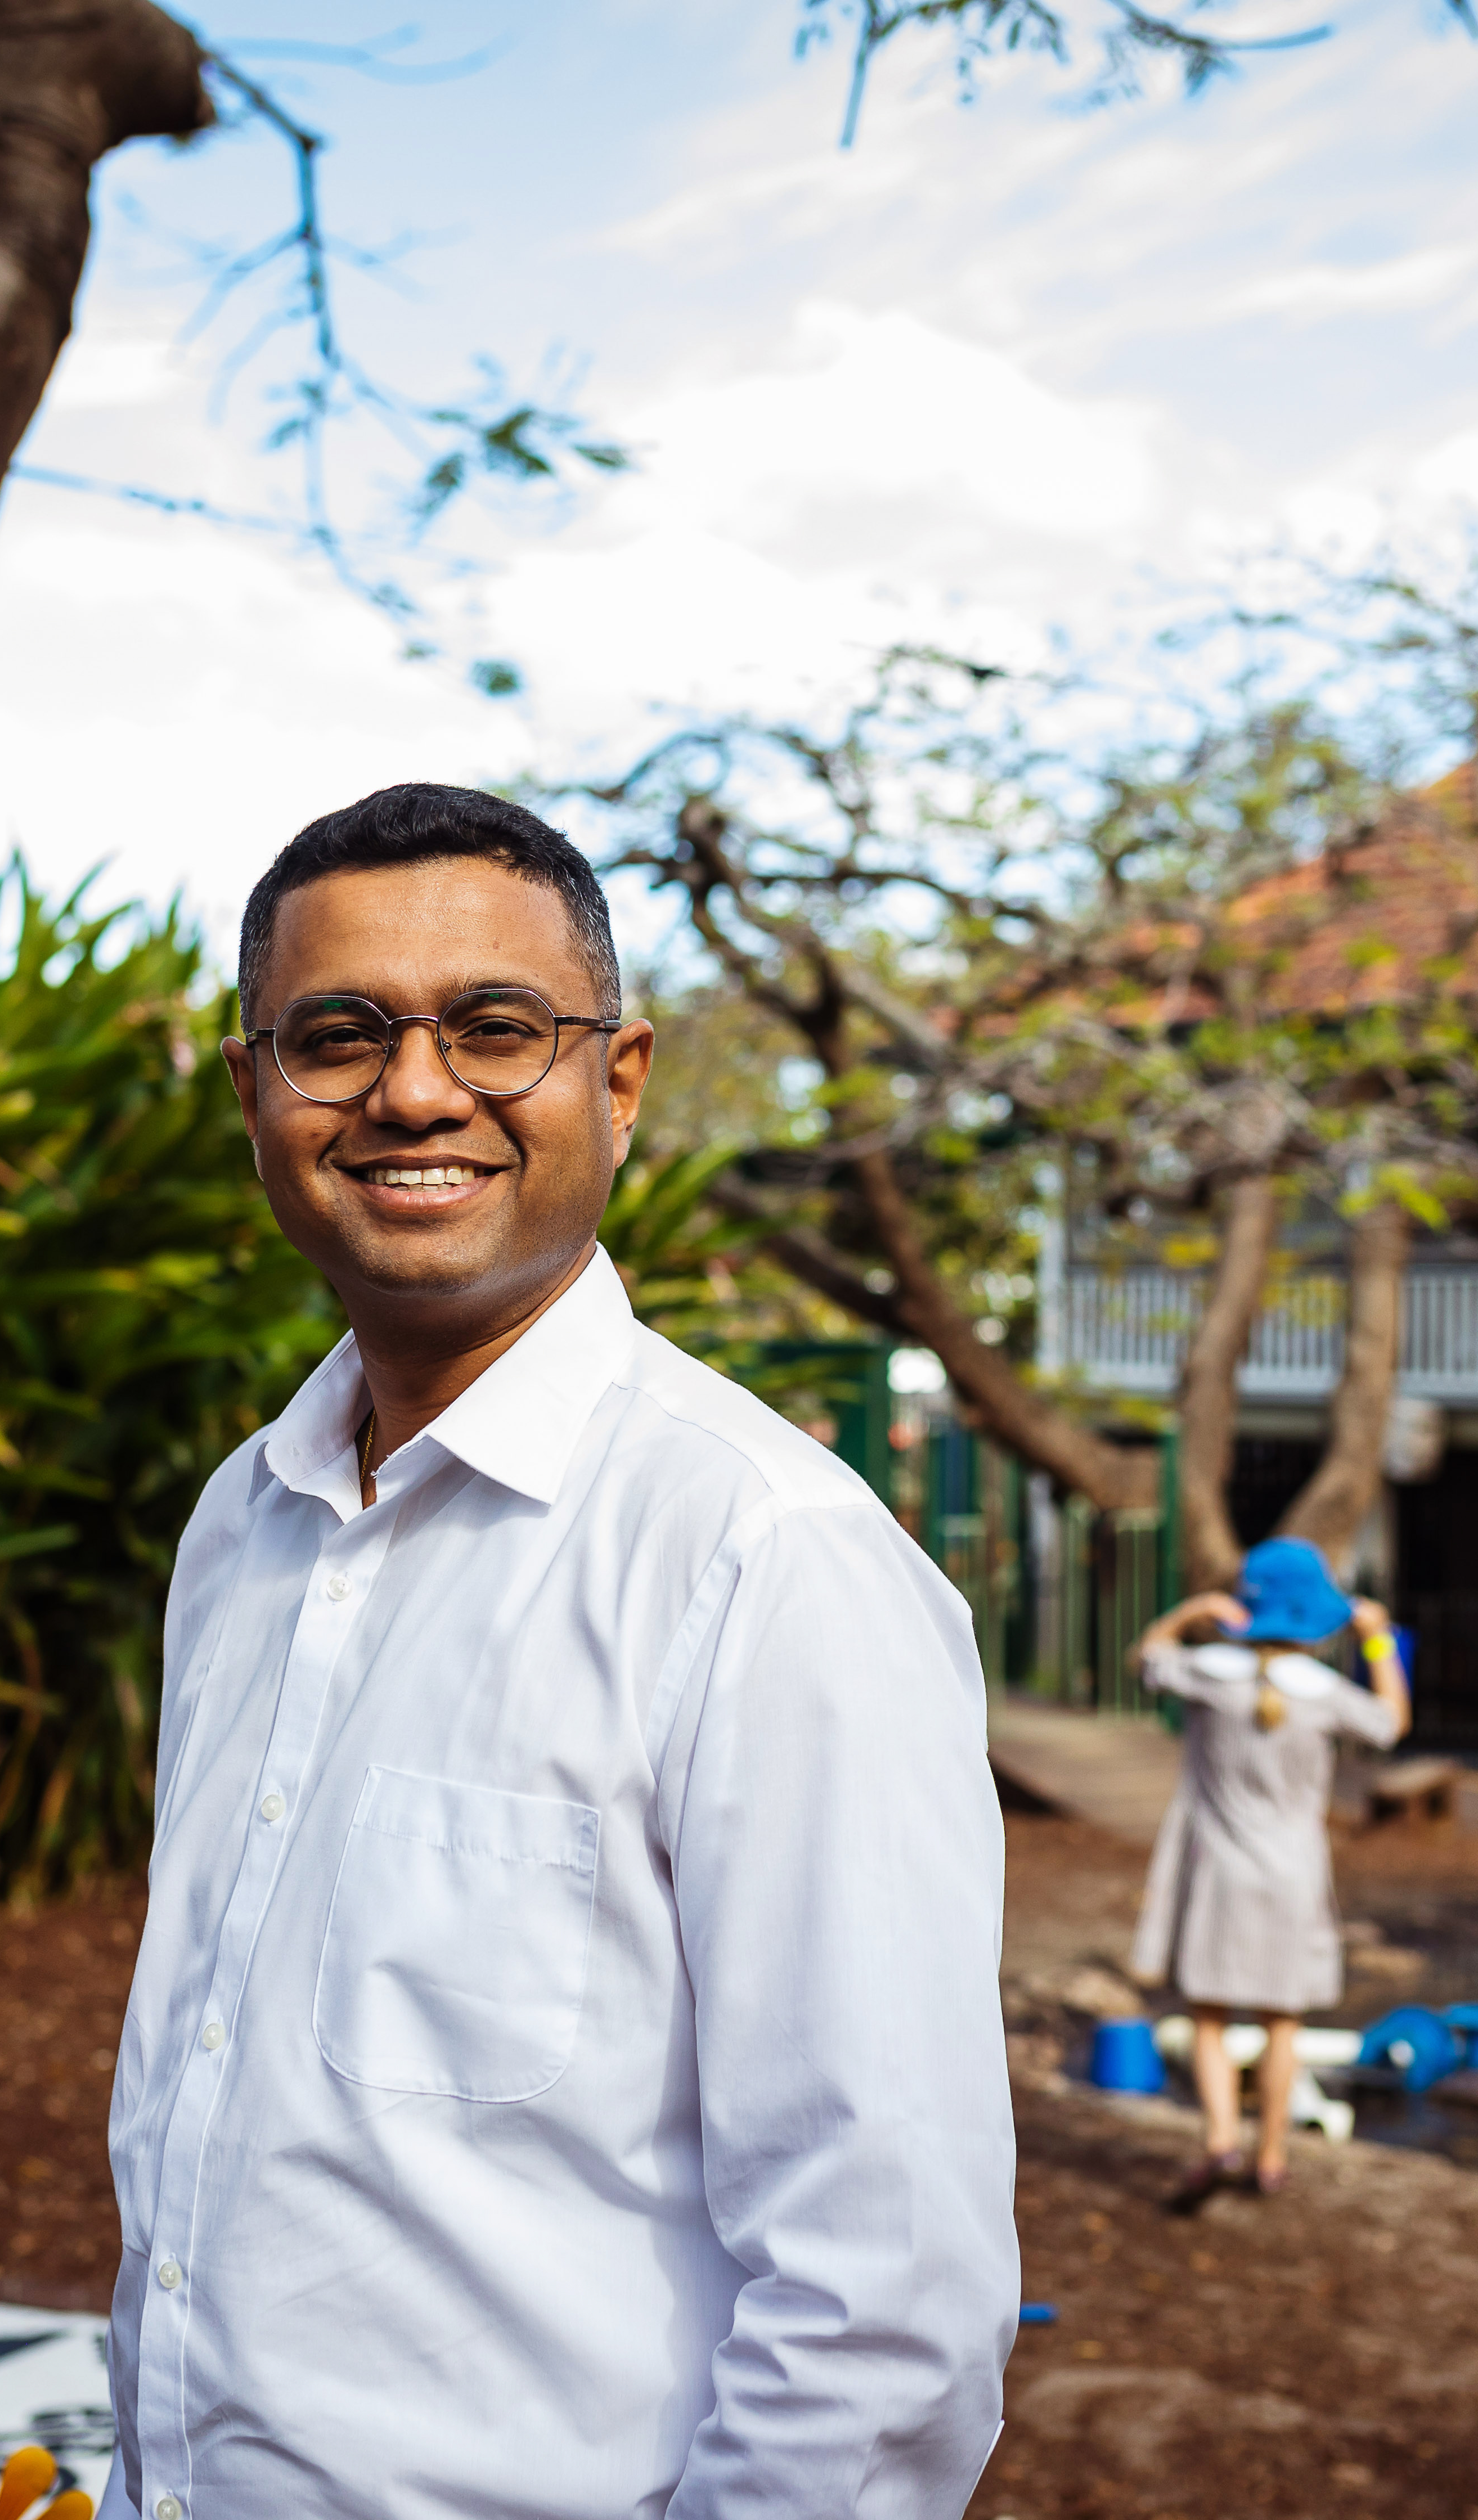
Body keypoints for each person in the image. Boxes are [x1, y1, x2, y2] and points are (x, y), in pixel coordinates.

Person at [104, 786, 1017, 2519]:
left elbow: (882, 2311)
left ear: (618, 1081)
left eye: (497, 1028)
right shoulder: (242, 1526)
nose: (416, 1089)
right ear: (253, 1093)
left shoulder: (761, 1557)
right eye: (336, 1034)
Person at [1126, 1535, 1410, 2205]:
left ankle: (1221, 2138)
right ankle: (1273, 2155)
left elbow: (1146, 1657)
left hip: (1218, 1870)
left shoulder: (1209, 1675)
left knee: (1208, 2015)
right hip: (1294, 1875)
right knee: (1284, 2021)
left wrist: (1190, 1611)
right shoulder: (1326, 1693)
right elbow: (1392, 1722)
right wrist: (1378, 1641)